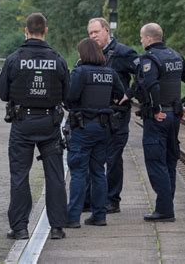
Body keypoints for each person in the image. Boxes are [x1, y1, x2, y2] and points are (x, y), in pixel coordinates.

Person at [0, 13, 69, 240]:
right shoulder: (57, 59)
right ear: (45, 30)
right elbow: (68, 94)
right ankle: (57, 227)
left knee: (19, 175)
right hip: (50, 124)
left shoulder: (14, 59)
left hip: (22, 123)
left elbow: (2, 92)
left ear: (25, 31)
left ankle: (19, 228)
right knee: (55, 176)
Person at [120, 23, 185, 222]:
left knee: (156, 162)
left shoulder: (149, 58)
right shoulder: (175, 56)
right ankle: (166, 205)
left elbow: (151, 84)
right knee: (170, 161)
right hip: (174, 116)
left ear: (148, 38)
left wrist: (155, 109)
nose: (140, 40)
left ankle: (165, 210)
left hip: (158, 119)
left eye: (141, 37)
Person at [65, 38, 124, 228]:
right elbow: (119, 94)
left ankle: (73, 218)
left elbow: (70, 97)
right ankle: (99, 216)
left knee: (79, 172)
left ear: (84, 53)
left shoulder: (80, 72)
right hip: (103, 128)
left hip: (83, 127)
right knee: (99, 172)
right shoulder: (110, 73)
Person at [87, 17, 139, 214]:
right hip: (97, 113)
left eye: (96, 32)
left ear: (106, 31)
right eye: (90, 33)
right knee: (95, 156)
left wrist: (130, 94)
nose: (93, 36)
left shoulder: (123, 52)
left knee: (114, 157)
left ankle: (112, 200)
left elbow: (144, 73)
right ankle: (94, 198)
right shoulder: (90, 53)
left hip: (117, 114)